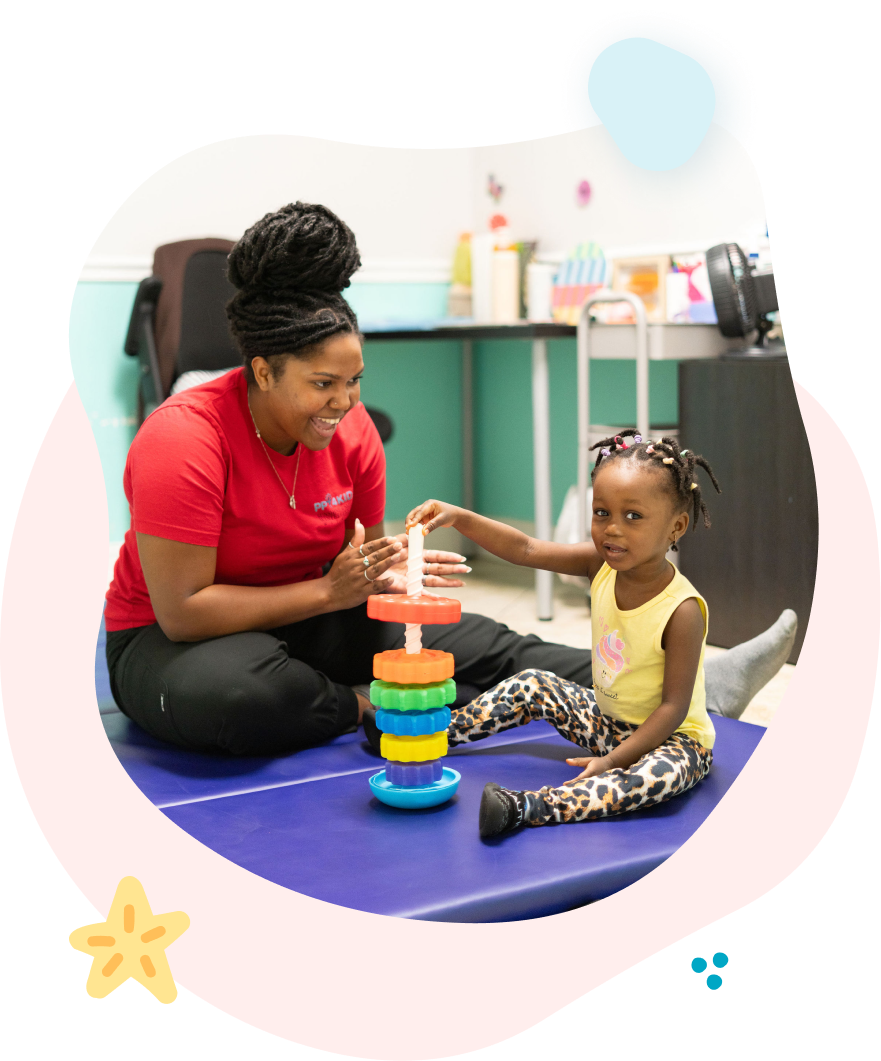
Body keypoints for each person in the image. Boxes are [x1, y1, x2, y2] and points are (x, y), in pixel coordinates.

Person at [105, 202, 795, 759]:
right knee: (240, 697)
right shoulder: (184, 438)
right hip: (177, 641)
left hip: (311, 615)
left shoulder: (352, 434)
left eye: (353, 383)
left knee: (484, 641)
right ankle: (363, 705)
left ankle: (704, 676)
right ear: (262, 370)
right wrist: (327, 590)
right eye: (323, 384)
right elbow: (183, 611)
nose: (344, 405)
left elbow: (361, 572)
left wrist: (387, 575)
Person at [401, 431, 798, 838]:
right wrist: (461, 518)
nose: (612, 529)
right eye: (601, 513)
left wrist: (613, 761)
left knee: (650, 779)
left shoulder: (682, 610)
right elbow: (527, 549)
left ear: (676, 526)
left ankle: (527, 807)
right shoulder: (599, 564)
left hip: (674, 741)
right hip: (607, 721)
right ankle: (427, 735)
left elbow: (673, 709)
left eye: (633, 516)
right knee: (532, 683)